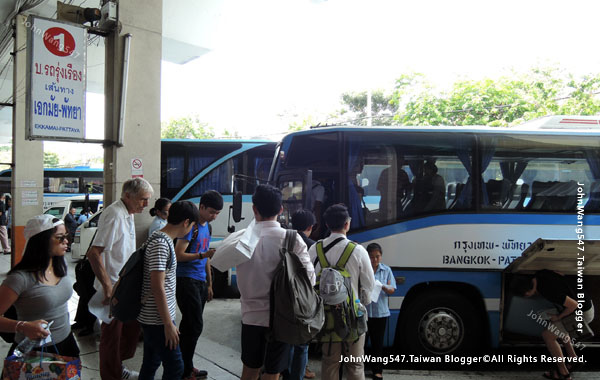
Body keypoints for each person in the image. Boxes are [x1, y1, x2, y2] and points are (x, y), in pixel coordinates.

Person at [237, 184, 314, 380]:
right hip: (282, 318)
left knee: (250, 370)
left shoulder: (241, 238)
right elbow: (310, 279)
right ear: (281, 209)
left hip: (250, 317)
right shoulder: (293, 239)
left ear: (254, 209)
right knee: (273, 373)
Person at [88, 177, 153, 380]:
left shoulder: (128, 212)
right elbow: (94, 253)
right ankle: (111, 375)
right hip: (113, 286)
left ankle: (118, 367)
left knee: (130, 331)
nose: (146, 204)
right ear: (127, 195)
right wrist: (108, 287)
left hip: (124, 284)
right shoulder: (115, 214)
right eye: (143, 199)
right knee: (112, 336)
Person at [308, 203, 374, 380]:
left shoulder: (315, 249)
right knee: (355, 364)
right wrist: (362, 302)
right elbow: (369, 285)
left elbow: (308, 281)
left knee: (330, 362)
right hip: (353, 316)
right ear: (347, 224)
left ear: (327, 225)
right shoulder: (358, 250)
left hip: (326, 316)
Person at [0, 214, 79, 357]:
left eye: (66, 236)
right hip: (33, 354)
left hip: (66, 343)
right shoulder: (19, 279)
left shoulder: (61, 265)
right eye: (60, 237)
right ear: (41, 241)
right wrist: (22, 327)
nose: (66, 241)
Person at [138, 200, 200, 380]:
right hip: (157, 319)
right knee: (176, 367)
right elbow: (157, 286)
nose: (191, 230)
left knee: (151, 362)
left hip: (155, 317)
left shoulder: (161, 238)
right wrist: (168, 324)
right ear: (186, 222)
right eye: (193, 226)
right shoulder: (161, 244)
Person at [512, 270, 594, 380]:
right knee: (556, 327)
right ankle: (573, 359)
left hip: (583, 313)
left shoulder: (547, 290)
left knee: (548, 335)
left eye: (526, 296)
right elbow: (561, 274)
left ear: (527, 292)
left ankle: (563, 373)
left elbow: (574, 305)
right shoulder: (540, 274)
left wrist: (558, 317)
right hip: (587, 303)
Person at [175, 190, 222, 380]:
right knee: (194, 326)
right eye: (211, 212)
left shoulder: (207, 228)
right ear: (201, 207)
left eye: (217, 213)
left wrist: (210, 283)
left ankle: (185, 366)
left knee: (190, 327)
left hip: (200, 281)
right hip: (186, 280)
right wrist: (202, 256)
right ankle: (183, 370)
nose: (214, 216)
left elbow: (206, 257)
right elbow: (179, 254)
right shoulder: (190, 227)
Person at [283, 209, 316, 380]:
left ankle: (285, 372)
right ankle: (299, 375)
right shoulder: (312, 245)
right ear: (310, 227)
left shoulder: (285, 239)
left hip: (284, 297)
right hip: (304, 300)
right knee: (302, 344)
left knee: (286, 340)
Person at [364, 243, 396, 380]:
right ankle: (360, 369)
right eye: (371, 257)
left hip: (380, 314)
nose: (375, 260)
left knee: (378, 344)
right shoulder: (364, 270)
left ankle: (377, 371)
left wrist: (383, 287)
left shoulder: (386, 270)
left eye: (377, 257)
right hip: (364, 313)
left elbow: (392, 289)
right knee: (361, 344)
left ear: (381, 257)